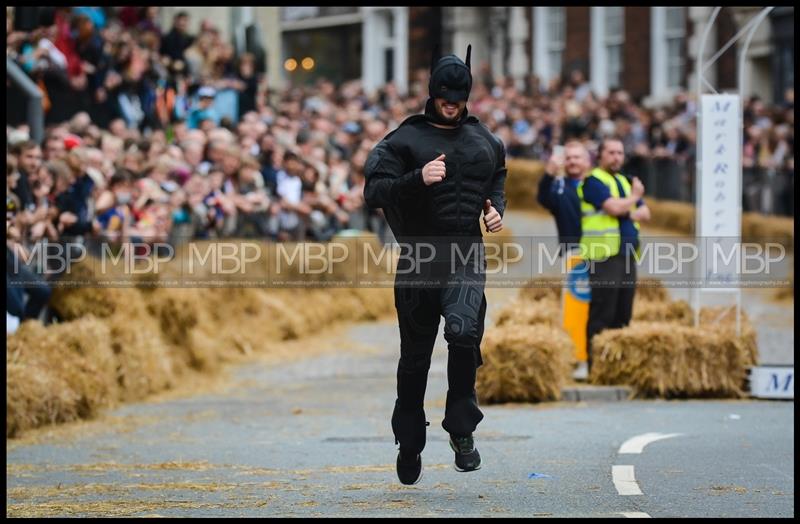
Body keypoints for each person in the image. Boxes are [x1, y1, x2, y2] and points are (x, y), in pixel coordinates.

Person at [364, 44, 507, 485]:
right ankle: (410, 440)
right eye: (445, 97)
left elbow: (497, 175)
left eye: (459, 97)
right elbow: (374, 193)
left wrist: (495, 208)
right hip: (418, 259)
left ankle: (462, 430)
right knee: (415, 360)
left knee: (464, 334)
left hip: (466, 254)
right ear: (432, 93)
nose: (451, 104)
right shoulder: (404, 139)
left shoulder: (486, 139)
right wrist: (416, 178)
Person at [577, 137, 651, 373]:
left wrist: (626, 209)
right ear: (600, 155)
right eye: (611, 152)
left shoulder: (624, 180)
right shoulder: (593, 181)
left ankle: (617, 368)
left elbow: (645, 213)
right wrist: (631, 204)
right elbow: (613, 208)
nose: (617, 157)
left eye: (620, 153)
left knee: (623, 312)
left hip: (627, 254)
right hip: (603, 255)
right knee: (603, 311)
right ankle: (596, 367)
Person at [537, 141, 591, 256]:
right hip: (573, 251)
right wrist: (549, 174)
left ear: (587, 161)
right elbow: (543, 198)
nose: (572, 161)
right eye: (568, 158)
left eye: (577, 157)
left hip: (601, 250)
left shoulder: (597, 185)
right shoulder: (559, 187)